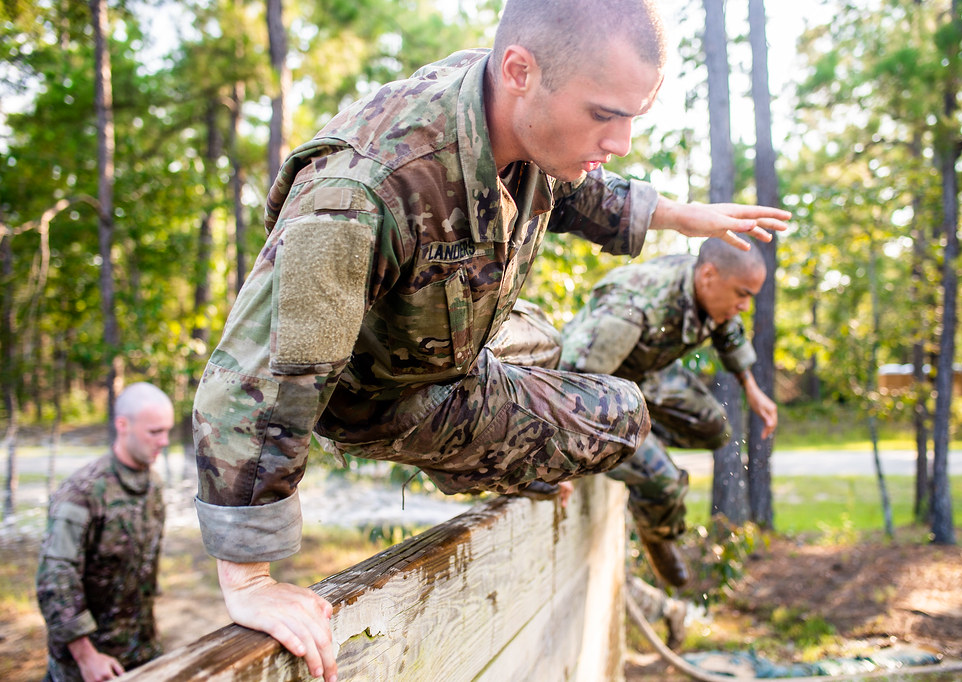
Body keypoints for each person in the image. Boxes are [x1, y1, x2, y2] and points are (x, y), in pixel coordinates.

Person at [190, 1, 790, 679]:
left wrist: (677, 216)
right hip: (387, 399)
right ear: (520, 70)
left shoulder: (513, 112)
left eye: (633, 117)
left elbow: (578, 190)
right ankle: (487, 454)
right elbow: (260, 377)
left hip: (450, 346)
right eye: (604, 115)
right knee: (623, 413)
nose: (620, 141)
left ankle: (507, 456)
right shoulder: (363, 191)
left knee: (554, 347)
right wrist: (250, 577)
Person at [558, 237, 778, 587]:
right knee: (664, 482)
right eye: (742, 294)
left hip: (645, 374)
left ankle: (637, 451)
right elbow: (571, 386)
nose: (745, 306)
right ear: (708, 276)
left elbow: (728, 329)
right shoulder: (633, 306)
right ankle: (657, 530)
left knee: (713, 428)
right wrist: (561, 467)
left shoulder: (712, 289)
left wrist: (752, 388)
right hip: (599, 394)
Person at [36, 382, 174, 681]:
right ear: (122, 425)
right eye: (154, 432)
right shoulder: (81, 493)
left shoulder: (152, 486)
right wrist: (86, 656)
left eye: (167, 431)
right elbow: (55, 577)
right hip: (89, 663)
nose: (164, 441)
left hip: (141, 650)